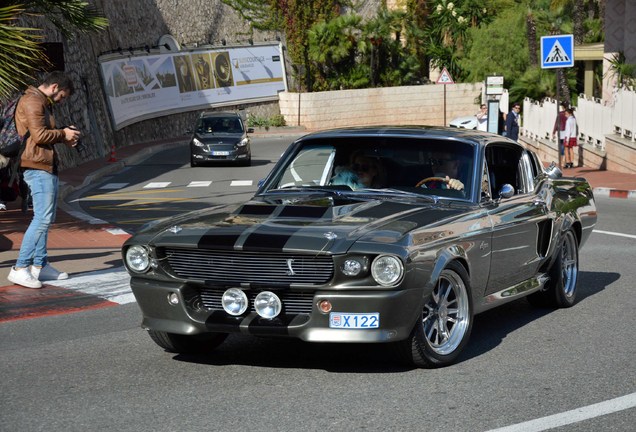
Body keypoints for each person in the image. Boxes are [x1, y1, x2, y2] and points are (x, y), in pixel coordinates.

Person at [7, 71, 81, 289]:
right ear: (55, 86)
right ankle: (20, 268)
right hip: (35, 166)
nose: (61, 100)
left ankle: (40, 265)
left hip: (44, 164)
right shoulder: (32, 101)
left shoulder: (41, 101)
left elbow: (42, 134)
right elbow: (39, 135)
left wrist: (64, 136)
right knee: (42, 218)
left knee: (46, 217)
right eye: (62, 96)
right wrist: (63, 134)